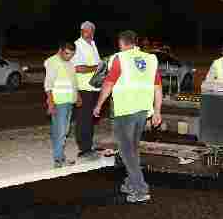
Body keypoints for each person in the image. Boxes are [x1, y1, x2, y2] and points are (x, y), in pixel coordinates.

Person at [93, 30, 163, 203]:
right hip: (142, 111)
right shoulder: (149, 59)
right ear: (135, 42)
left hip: (124, 111)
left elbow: (109, 83)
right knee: (132, 149)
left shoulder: (120, 58)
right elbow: (158, 87)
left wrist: (99, 104)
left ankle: (140, 189)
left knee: (126, 151)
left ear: (121, 43)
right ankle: (131, 182)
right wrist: (157, 111)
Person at [43, 41, 81, 168]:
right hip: (59, 102)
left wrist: (77, 96)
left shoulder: (69, 63)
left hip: (69, 101)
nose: (69, 56)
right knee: (61, 131)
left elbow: (73, 81)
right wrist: (51, 102)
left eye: (71, 54)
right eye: (67, 54)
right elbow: (48, 85)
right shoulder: (53, 62)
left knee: (60, 131)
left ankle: (60, 156)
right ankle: (58, 159)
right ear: (60, 50)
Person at [72, 21, 103, 160]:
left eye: (91, 31)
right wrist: (96, 67)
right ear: (81, 30)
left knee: (90, 119)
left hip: (95, 87)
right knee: (83, 120)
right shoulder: (77, 46)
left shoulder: (93, 44)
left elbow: (97, 65)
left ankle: (88, 146)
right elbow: (78, 68)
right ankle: (83, 149)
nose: (89, 33)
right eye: (87, 31)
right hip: (83, 88)